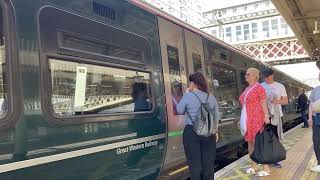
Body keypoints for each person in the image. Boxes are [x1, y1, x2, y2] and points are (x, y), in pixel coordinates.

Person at [176, 72, 219, 180]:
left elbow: (179, 110)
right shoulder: (211, 97)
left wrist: (186, 92)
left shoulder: (188, 95)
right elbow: (216, 116)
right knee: (208, 165)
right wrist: (216, 131)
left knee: (194, 166)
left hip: (192, 132)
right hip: (209, 132)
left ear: (192, 83)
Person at [240, 68, 271, 177]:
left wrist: (266, 116)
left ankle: (266, 168)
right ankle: (254, 166)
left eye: (247, 74)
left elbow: (263, 103)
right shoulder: (247, 89)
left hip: (257, 118)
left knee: (260, 143)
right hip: (248, 119)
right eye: (246, 74)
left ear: (254, 76)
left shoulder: (259, 88)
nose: (245, 76)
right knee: (251, 143)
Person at [261, 68, 288, 168]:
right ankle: (266, 159)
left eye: (267, 77)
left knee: (275, 139)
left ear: (272, 76)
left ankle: (274, 160)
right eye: (264, 77)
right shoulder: (261, 86)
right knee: (265, 139)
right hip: (264, 117)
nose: (266, 79)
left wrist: (276, 101)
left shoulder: (280, 86)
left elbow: (285, 101)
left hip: (277, 116)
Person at [308, 73, 320, 173]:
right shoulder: (316, 90)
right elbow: (311, 105)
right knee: (316, 141)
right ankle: (319, 163)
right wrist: (310, 118)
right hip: (317, 118)